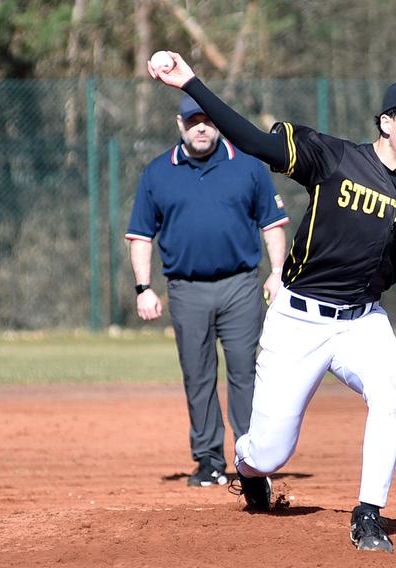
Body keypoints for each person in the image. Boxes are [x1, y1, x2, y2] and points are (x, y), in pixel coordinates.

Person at [148, 52, 396, 554]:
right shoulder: (335, 157)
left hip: (362, 321)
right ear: (386, 122)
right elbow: (251, 141)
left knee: (391, 395)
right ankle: (248, 470)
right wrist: (191, 83)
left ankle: (368, 514)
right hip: (297, 318)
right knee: (269, 452)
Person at [125, 93, 289, 489]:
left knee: (245, 373)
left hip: (240, 286)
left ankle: (253, 463)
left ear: (218, 123)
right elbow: (141, 235)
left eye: (208, 120)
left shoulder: (247, 165)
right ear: (179, 125)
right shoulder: (158, 172)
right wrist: (144, 287)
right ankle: (209, 461)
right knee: (198, 376)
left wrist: (278, 272)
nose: (202, 127)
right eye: (192, 121)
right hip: (186, 288)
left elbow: (273, 224)